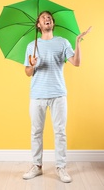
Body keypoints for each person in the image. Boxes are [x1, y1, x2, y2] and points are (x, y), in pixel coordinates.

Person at [23, 11, 91, 183]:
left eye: (49, 18)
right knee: (36, 132)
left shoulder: (62, 42)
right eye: (43, 18)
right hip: (37, 95)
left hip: (58, 94)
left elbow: (76, 62)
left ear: (52, 23)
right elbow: (27, 72)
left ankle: (61, 167)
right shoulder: (32, 46)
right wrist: (32, 65)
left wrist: (77, 42)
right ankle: (37, 166)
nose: (47, 19)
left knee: (60, 132)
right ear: (38, 25)